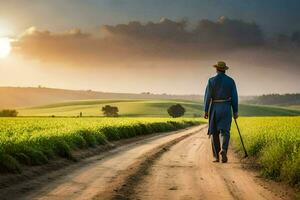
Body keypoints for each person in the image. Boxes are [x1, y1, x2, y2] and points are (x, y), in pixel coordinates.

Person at [204, 61, 238, 163]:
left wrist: (206, 110)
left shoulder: (211, 81)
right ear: (225, 70)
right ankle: (223, 150)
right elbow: (235, 97)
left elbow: (207, 97)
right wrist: (235, 111)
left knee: (214, 132)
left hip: (215, 107)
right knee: (225, 131)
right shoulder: (231, 81)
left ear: (216, 69)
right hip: (226, 108)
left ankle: (216, 157)